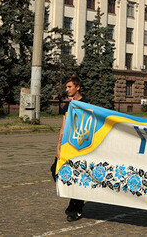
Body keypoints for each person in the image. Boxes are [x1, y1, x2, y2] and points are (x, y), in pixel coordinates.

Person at [55, 75, 89, 221]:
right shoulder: (67, 106)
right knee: (57, 171)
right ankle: (73, 201)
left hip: (80, 146)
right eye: (66, 87)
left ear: (77, 87)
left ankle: (77, 207)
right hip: (67, 145)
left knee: (78, 176)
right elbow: (63, 127)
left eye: (69, 87)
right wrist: (58, 147)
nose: (67, 90)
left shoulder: (86, 104)